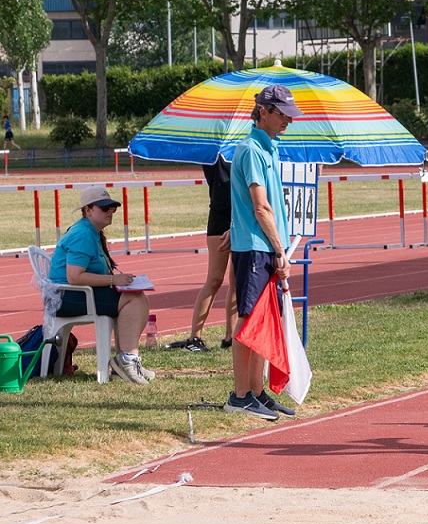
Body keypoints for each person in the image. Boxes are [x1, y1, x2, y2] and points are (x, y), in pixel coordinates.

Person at [225, 84, 301, 420]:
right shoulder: (252, 150)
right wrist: (279, 250)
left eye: (290, 115)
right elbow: (260, 206)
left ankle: (256, 392)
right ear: (263, 112)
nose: (288, 120)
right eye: (282, 114)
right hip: (256, 248)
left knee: (263, 322)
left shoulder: (269, 147)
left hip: (263, 246)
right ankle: (240, 395)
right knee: (248, 321)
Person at [48, 185, 154, 384]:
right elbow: (74, 277)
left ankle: (125, 360)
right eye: (104, 208)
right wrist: (114, 280)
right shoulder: (82, 234)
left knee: (138, 297)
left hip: (76, 294)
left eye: (113, 207)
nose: (110, 211)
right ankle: (126, 360)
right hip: (66, 297)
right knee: (133, 299)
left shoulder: (91, 232)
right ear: (88, 210)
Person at [166, 157, 238, 352]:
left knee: (237, 279)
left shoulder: (244, 146)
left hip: (242, 214)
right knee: (215, 279)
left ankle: (231, 337)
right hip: (221, 213)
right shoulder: (212, 148)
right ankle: (194, 337)